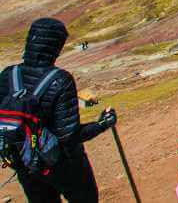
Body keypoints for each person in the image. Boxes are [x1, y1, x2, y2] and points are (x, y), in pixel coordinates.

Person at [1, 18, 116, 202]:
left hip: (25, 162)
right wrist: (102, 123)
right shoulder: (60, 80)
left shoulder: (8, 75)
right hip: (63, 165)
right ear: (55, 46)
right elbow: (68, 137)